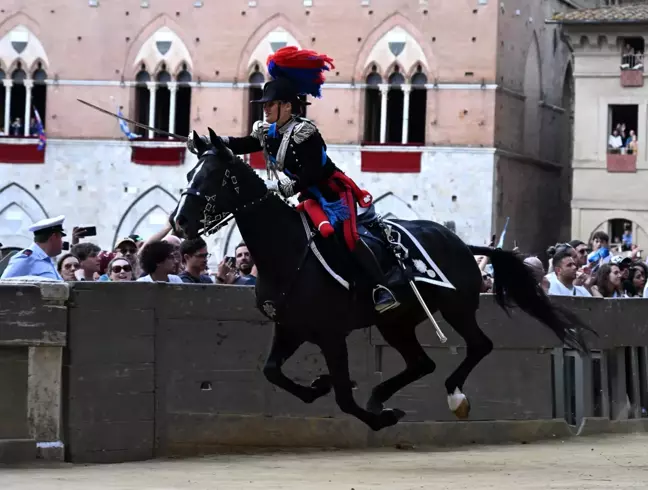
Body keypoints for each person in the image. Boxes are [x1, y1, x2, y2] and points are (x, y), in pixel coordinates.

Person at [191, 46, 397, 313]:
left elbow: (314, 172)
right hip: (309, 197)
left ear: (287, 106)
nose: (265, 109)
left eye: (270, 105)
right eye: (263, 105)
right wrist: (210, 142)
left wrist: (282, 186)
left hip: (333, 194)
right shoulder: (268, 131)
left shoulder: (306, 132)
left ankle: (380, 287)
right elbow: (245, 143)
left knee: (348, 237)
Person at [1, 215, 66, 280]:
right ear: (54, 237)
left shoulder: (46, 259)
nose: (62, 242)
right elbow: (4, 285)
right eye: (61, 237)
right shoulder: (26, 259)